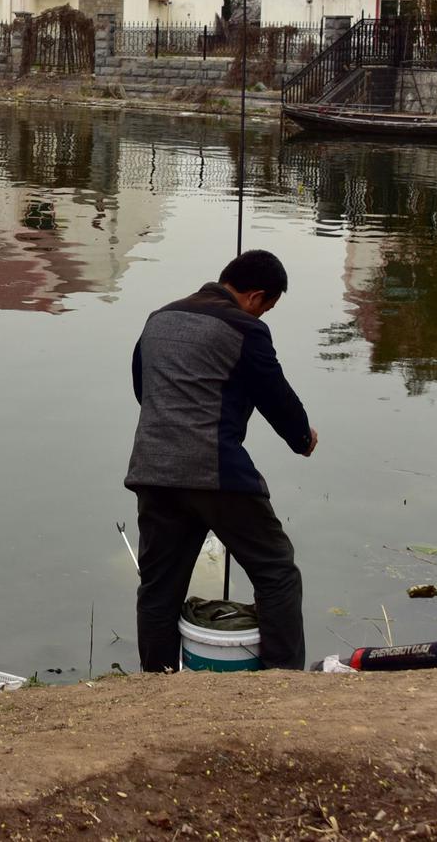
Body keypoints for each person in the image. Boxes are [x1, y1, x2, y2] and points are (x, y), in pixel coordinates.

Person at [127, 250, 315, 672]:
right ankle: (284, 679)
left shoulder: (158, 319)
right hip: (216, 472)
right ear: (256, 296)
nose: (265, 315)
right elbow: (275, 394)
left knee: (158, 589)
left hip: (152, 471)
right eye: (268, 307)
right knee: (276, 572)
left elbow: (146, 390)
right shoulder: (245, 327)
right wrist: (302, 438)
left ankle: (155, 680)